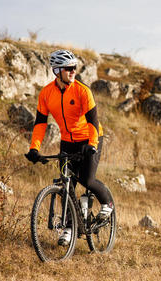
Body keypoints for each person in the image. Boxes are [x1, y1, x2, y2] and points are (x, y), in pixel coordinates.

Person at [25, 49, 113, 245]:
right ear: (57, 71)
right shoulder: (46, 94)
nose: (73, 71)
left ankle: (107, 203)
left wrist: (91, 144)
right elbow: (40, 123)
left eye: (75, 68)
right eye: (69, 68)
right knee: (67, 185)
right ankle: (69, 228)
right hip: (67, 142)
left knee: (87, 180)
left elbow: (93, 121)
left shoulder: (83, 91)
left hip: (90, 139)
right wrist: (34, 149)